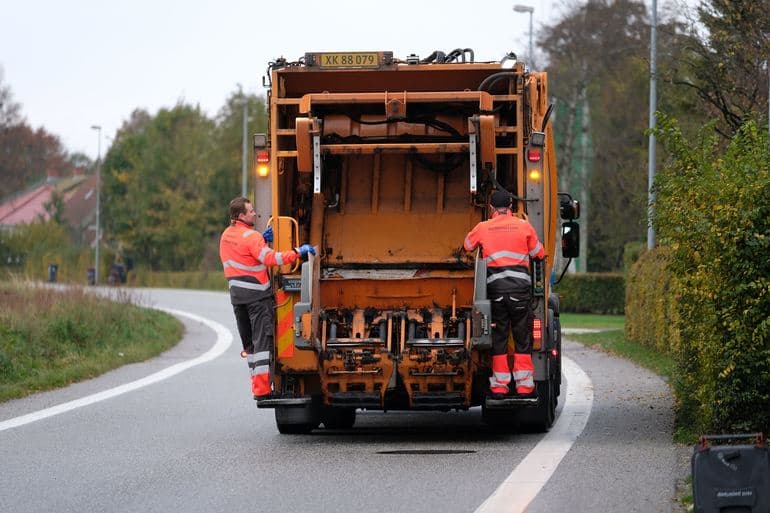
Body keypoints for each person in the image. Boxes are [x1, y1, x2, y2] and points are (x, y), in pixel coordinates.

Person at [219, 196, 316, 400]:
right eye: (251, 210)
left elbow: (242, 252)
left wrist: (261, 239)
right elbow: (272, 259)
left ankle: (257, 385)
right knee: (262, 344)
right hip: (257, 298)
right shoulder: (252, 237)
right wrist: (299, 251)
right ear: (241, 216)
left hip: (238, 299)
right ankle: (262, 391)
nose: (254, 213)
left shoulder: (227, 236)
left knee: (250, 347)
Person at [463, 190, 544, 398]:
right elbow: (539, 254)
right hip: (520, 292)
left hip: (496, 293)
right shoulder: (523, 226)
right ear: (511, 208)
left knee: (499, 337)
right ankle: (525, 386)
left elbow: (467, 246)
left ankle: (500, 386)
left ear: (491, 208)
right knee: (522, 338)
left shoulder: (483, 228)